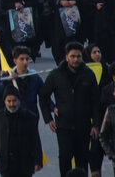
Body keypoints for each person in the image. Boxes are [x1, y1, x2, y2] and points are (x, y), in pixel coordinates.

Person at [39, 42, 100, 177]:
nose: (75, 59)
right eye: (72, 56)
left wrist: (96, 124)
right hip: (63, 125)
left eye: (78, 56)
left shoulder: (89, 75)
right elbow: (43, 96)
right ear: (66, 57)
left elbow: (96, 102)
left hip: (83, 125)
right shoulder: (56, 75)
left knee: (82, 158)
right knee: (65, 156)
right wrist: (48, 117)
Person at [0, 89, 42, 177]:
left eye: (14, 101)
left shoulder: (30, 117)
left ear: (19, 101)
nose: (12, 104)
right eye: (9, 101)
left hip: (25, 164)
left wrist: (38, 161)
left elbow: (35, 140)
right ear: (4, 101)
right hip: (5, 164)